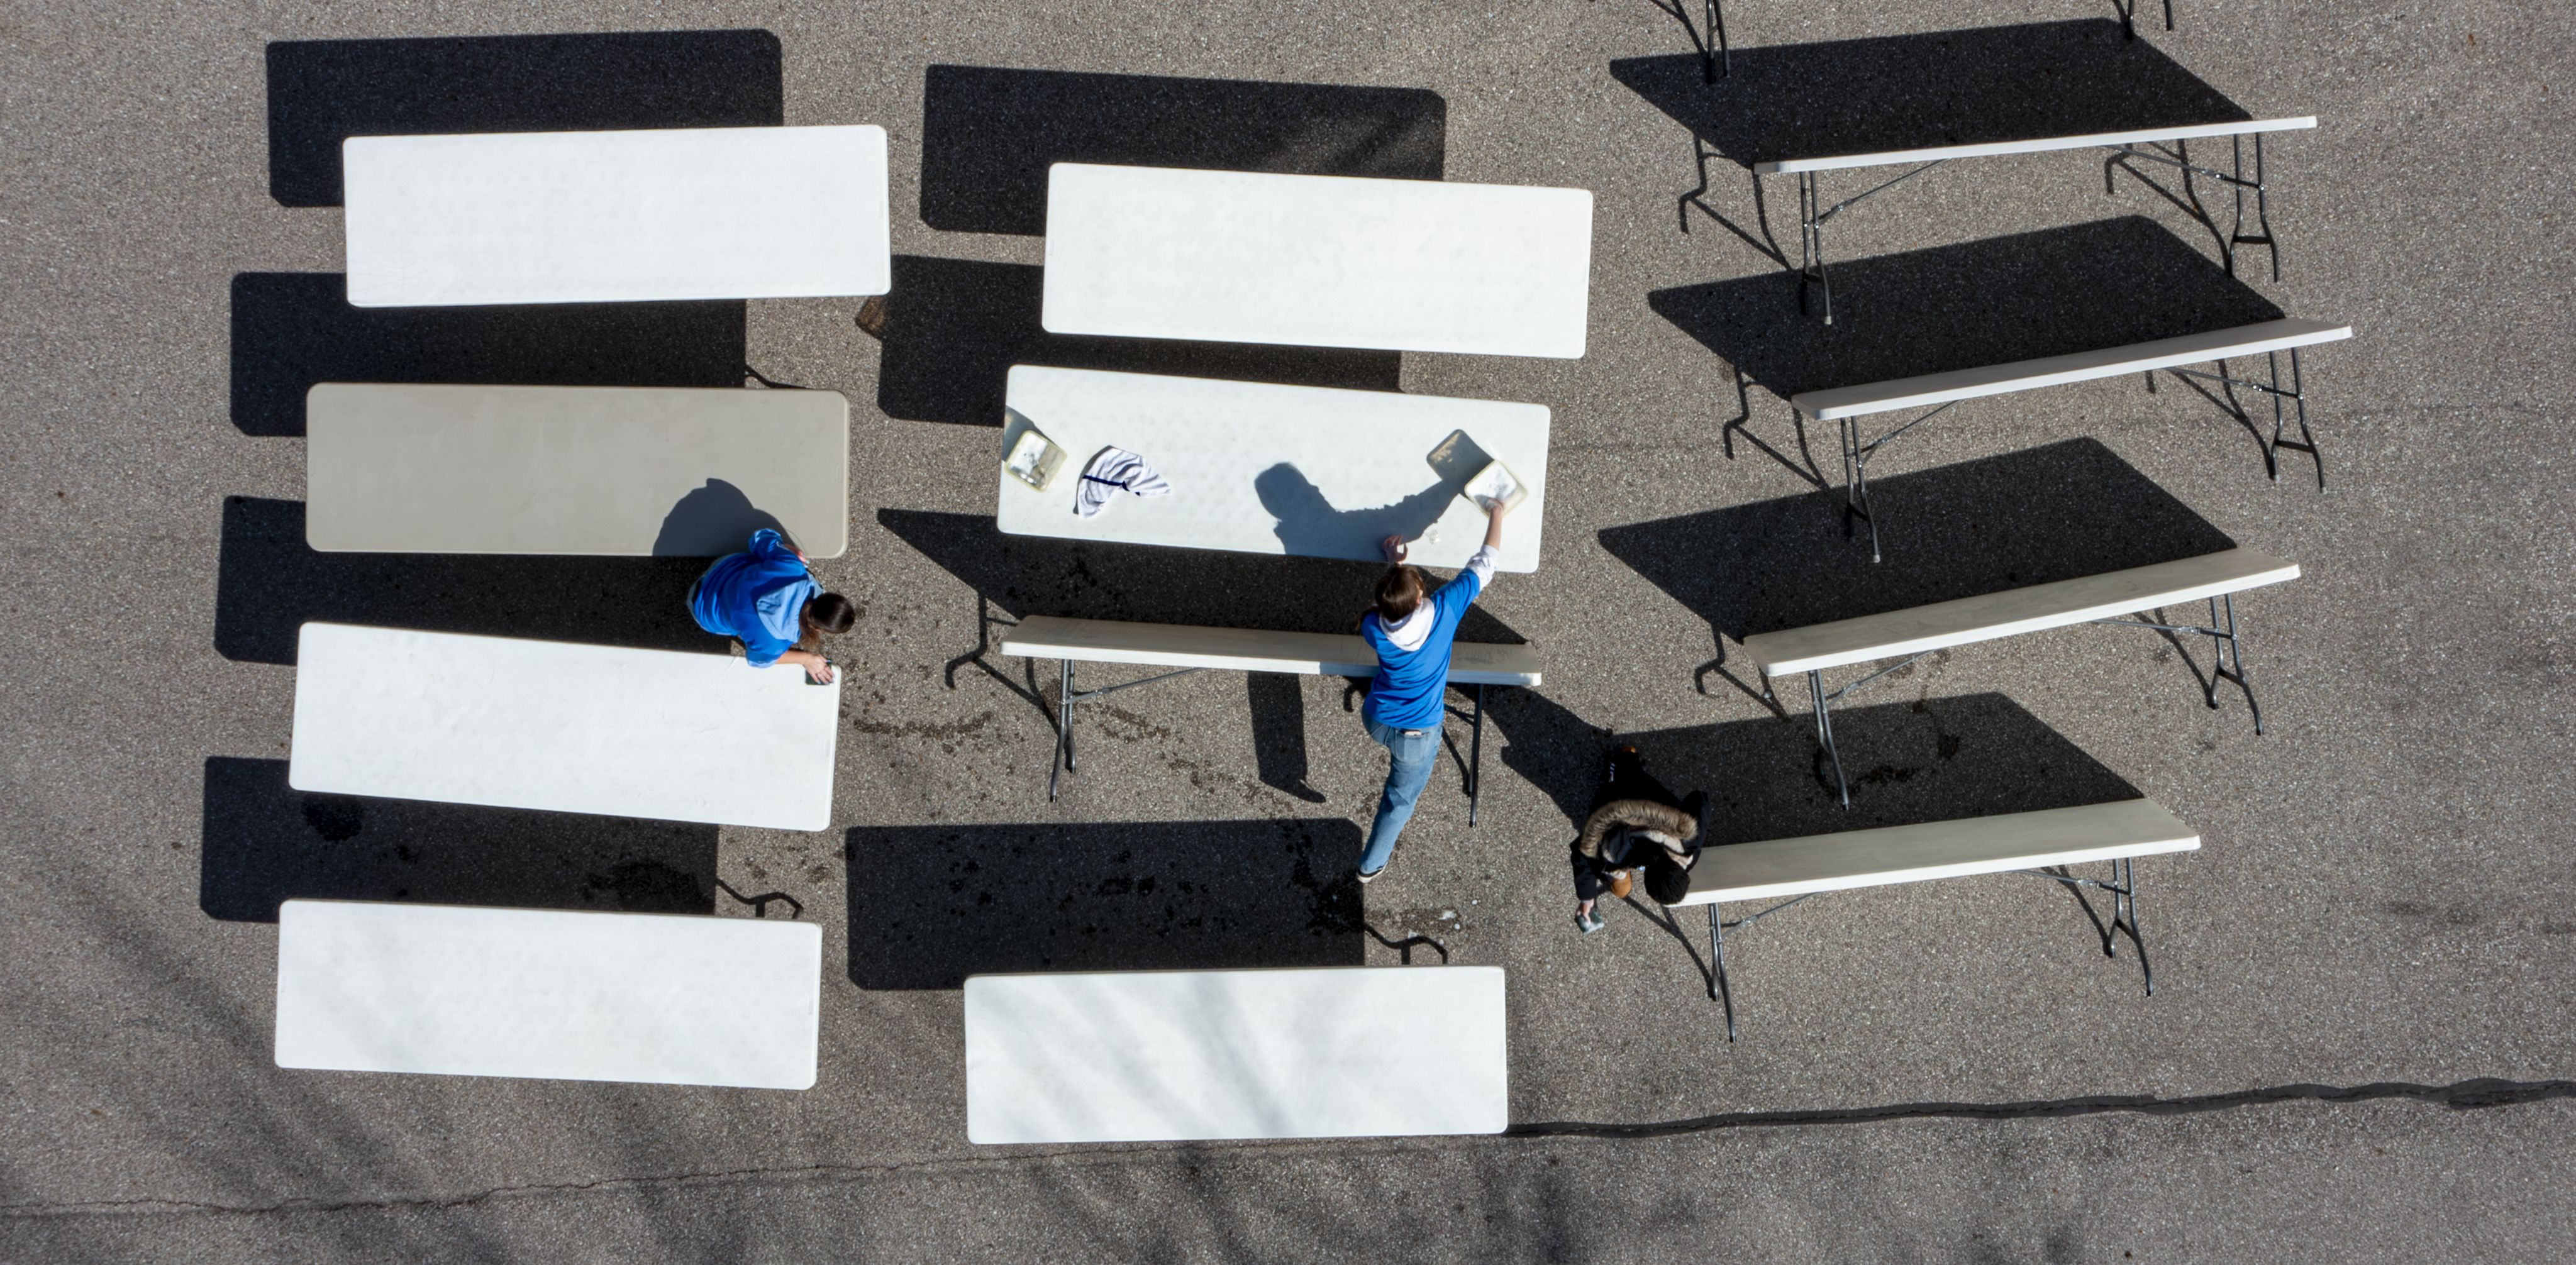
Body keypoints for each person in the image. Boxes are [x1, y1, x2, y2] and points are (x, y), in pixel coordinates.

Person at [1354, 500, 1511, 881]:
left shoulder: (1375, 627)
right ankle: (1369, 864)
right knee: (1399, 799)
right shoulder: (1444, 610)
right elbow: (1485, 563)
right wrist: (1498, 513)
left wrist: (1396, 567)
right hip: (1413, 736)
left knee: (1401, 797)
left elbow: (1390, 608)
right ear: (1421, 594)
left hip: (1379, 717)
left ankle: (1374, 865)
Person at [688, 528, 857, 683]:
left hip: (723, 568)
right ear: (819, 629)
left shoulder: (792, 567)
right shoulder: (772, 642)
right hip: (702, 609)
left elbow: (759, 537)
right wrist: (806, 659)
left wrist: (787, 550)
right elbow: (759, 661)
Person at [1570, 744, 1706, 933]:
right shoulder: (1612, 854)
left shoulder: (1690, 841)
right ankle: (1618, 766)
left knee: (1630, 772)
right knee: (1621, 780)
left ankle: (1628, 755)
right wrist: (1587, 899)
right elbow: (1580, 851)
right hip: (1613, 803)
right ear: (1647, 878)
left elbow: (1699, 799)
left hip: (1648, 795)